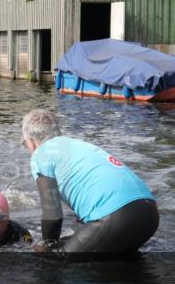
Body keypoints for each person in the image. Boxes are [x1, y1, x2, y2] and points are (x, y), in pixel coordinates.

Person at [21, 109, 159, 258]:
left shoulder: (40, 154)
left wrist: (47, 245)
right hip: (149, 213)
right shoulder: (78, 145)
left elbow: (52, 213)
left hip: (117, 215)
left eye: (25, 143)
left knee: (56, 259)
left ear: (31, 141)